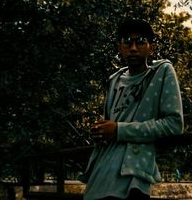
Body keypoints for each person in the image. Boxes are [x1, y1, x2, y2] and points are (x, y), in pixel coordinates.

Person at [79, 18, 184, 200]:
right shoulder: (114, 80)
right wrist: (101, 131)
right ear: (120, 48)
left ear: (151, 47)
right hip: (100, 173)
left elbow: (174, 124)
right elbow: (110, 122)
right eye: (127, 42)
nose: (133, 48)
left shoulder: (162, 72)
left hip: (132, 175)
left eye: (140, 41)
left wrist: (119, 130)